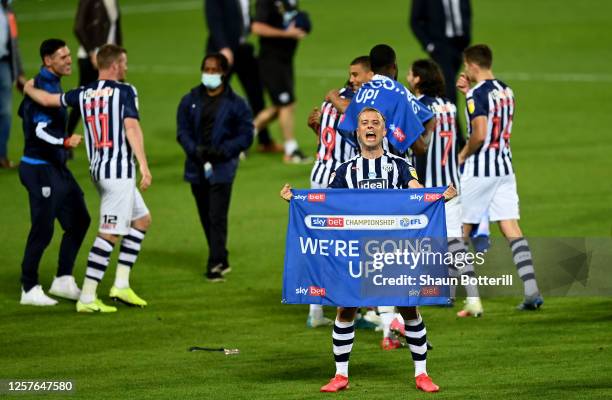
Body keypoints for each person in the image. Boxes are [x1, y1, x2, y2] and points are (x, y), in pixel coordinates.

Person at [281, 107, 457, 393]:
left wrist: (439, 197)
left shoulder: (400, 165)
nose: (370, 127)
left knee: (407, 307)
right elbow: (325, 205)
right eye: (364, 123)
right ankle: (340, 376)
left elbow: (418, 194)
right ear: (357, 131)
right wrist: (296, 201)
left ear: (384, 131)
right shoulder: (345, 171)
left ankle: (422, 374)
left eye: (376, 123)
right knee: (346, 306)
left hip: (393, 249)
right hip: (356, 251)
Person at [24, 44, 153, 313]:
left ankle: (121, 284)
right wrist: (143, 164)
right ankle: (88, 296)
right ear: (116, 65)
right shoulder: (126, 91)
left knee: (141, 220)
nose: (126, 67)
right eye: (124, 63)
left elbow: (47, 100)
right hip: (118, 172)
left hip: (98, 170)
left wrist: (27, 88)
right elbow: (131, 127)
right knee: (109, 234)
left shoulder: (83, 93)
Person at [456, 44, 543, 310]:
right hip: (504, 167)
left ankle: (454, 293)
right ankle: (531, 291)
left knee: (460, 229)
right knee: (510, 227)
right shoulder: (507, 90)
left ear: (471, 65)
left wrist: (462, 154)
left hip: (480, 169)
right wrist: (468, 93)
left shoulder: (476, 95)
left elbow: (480, 133)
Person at [406, 58, 483, 317]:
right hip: (452, 183)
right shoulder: (449, 106)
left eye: (410, 74)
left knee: (417, 243)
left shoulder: (418, 107)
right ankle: (457, 296)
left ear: (417, 79)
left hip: (428, 187)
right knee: (454, 241)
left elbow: (416, 145)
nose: (408, 77)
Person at [18, 39, 90, 306]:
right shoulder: (42, 85)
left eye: (70, 55)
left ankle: (62, 279)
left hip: (56, 167)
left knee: (80, 219)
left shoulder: (48, 83)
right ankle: (29, 287)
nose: (69, 60)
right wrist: (63, 141)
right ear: (48, 60)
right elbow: (37, 129)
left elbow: (23, 112)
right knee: (43, 228)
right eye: (62, 57)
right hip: (39, 169)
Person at [304, 55, 372, 328]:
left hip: (319, 175)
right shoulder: (357, 103)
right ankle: (352, 312)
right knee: (348, 245)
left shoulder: (331, 101)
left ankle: (316, 312)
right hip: (339, 181)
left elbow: (326, 135)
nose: (353, 78)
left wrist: (317, 126)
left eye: (356, 74)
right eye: (352, 74)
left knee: (322, 242)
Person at [176, 53, 254, 282]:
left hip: (223, 168)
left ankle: (215, 263)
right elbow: (182, 131)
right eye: (206, 69)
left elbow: (246, 134)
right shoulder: (189, 99)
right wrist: (195, 150)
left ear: (224, 73)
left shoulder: (237, 104)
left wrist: (224, 151)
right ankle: (221, 256)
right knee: (205, 215)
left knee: (216, 215)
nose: (209, 74)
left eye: (214, 70)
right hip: (196, 166)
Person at [205, 0, 280, 153]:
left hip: (242, 49)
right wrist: (223, 47)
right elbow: (213, 20)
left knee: (257, 94)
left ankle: (264, 141)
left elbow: (245, 18)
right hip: (221, 52)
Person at [338, 44, 434, 158]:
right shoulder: (399, 92)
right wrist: (423, 145)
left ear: (372, 68)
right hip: (395, 172)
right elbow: (428, 119)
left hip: (363, 171)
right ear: (393, 66)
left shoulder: (361, 93)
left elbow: (347, 130)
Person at [252, 0, 310, 163]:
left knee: (283, 105)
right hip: (271, 60)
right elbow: (256, 27)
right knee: (286, 104)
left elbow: (290, 21)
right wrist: (286, 34)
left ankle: (240, 139)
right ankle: (291, 151)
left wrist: (302, 27)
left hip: (285, 60)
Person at [67, 0, 122, 138]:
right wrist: (92, 52)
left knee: (116, 101)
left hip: (110, 59)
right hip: (90, 59)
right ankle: (64, 138)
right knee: (83, 101)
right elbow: (78, 27)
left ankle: (119, 143)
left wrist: (120, 56)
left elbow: (115, 29)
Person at [410, 0, 471, 106]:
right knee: (449, 85)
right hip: (440, 47)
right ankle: (451, 118)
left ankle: (443, 116)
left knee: (448, 83)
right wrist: (429, 45)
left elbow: (466, 12)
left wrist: (466, 37)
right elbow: (415, 21)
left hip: (460, 45)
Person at [0, 0, 25, 168]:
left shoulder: (7, 8)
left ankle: (1, 156)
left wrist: (19, 72)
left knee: (5, 112)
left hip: (4, 64)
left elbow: (13, 41)